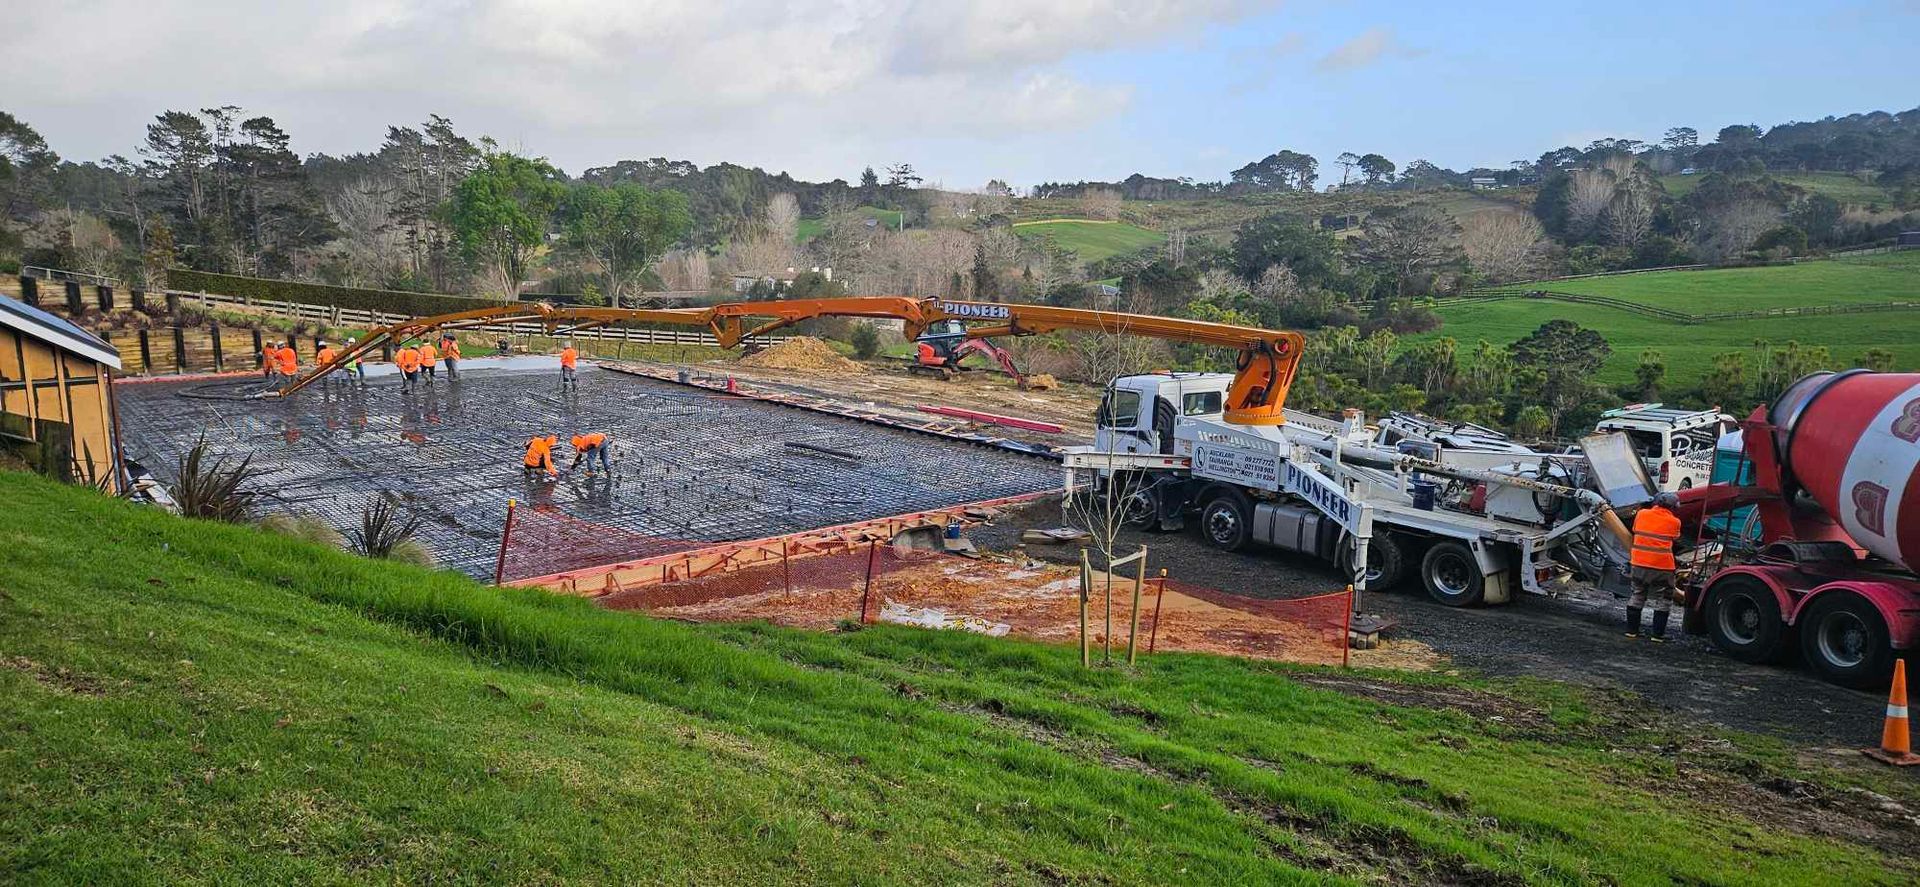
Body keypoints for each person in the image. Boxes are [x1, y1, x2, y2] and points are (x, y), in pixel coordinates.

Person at [1627, 491, 1684, 641]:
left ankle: (1632, 632)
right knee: (1664, 598)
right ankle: (1657, 635)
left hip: (1638, 563)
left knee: (1637, 593)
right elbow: (1676, 538)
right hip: (1662, 567)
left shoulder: (1641, 514)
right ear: (1673, 507)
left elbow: (1635, 530)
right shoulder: (1675, 522)